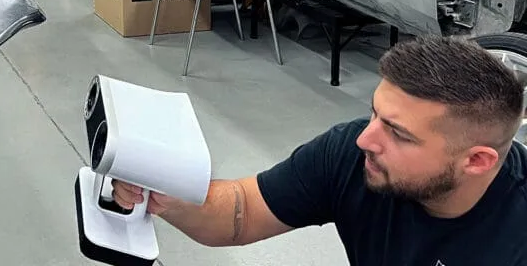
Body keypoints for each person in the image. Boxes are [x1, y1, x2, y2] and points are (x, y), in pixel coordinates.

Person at [112, 36, 527, 265]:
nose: (366, 139)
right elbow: (243, 210)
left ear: (477, 161)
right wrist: (171, 194)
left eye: (399, 133)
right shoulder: (353, 153)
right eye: (375, 113)